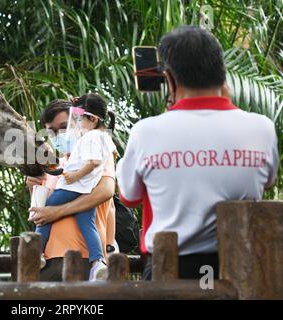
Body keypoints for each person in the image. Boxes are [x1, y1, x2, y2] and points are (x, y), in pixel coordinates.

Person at [116, 26, 279, 280]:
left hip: (171, 271)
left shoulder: (146, 132)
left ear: (168, 79)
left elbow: (128, 195)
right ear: (223, 76)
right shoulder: (262, 128)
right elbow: (268, 182)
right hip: (239, 271)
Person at [27, 99, 117, 281]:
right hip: (47, 263)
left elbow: (106, 190)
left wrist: (57, 212)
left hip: (84, 259)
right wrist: (32, 188)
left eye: (62, 127)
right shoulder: (52, 168)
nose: (58, 135)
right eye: (51, 132)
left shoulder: (97, 154)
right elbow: (41, 216)